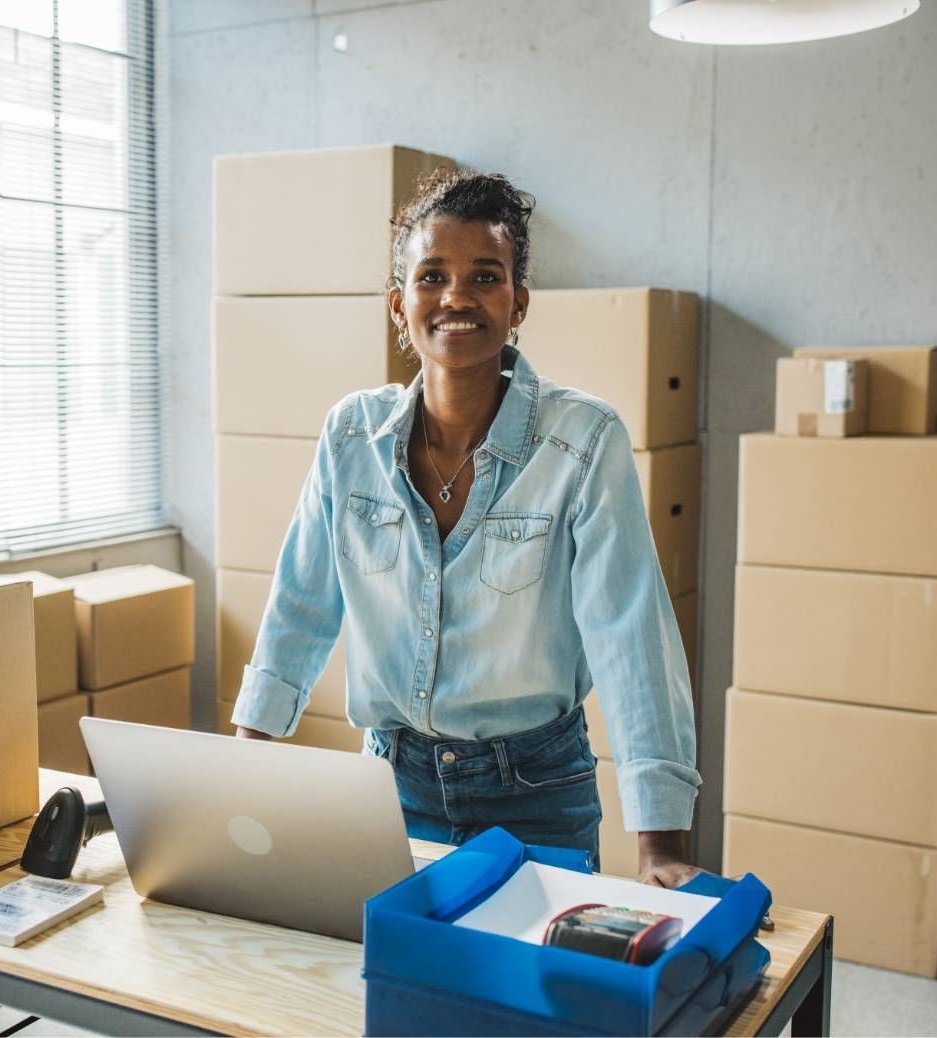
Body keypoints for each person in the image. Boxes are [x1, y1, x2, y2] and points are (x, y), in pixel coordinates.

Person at [230, 169, 700, 888]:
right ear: (399, 304)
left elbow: (630, 634)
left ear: (517, 304)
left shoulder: (582, 440)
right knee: (392, 990)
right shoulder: (351, 435)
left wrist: (661, 846)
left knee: (525, 996)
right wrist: (242, 767)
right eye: (432, 276)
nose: (457, 296)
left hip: (537, 795)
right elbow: (301, 604)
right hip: (390, 790)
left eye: (485, 276)